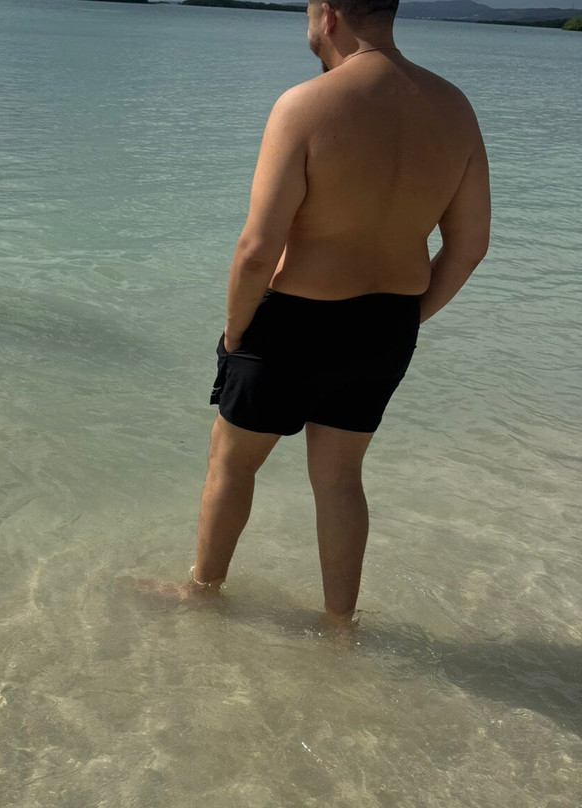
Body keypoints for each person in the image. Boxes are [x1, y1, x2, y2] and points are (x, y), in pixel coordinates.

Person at [190, 0, 491, 621]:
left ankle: (201, 597)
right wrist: (407, 318)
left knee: (231, 461)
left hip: (291, 323)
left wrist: (235, 333)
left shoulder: (304, 105)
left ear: (328, 15)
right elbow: (469, 248)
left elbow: (257, 249)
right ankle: (338, 628)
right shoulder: (455, 108)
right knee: (339, 479)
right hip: (386, 325)